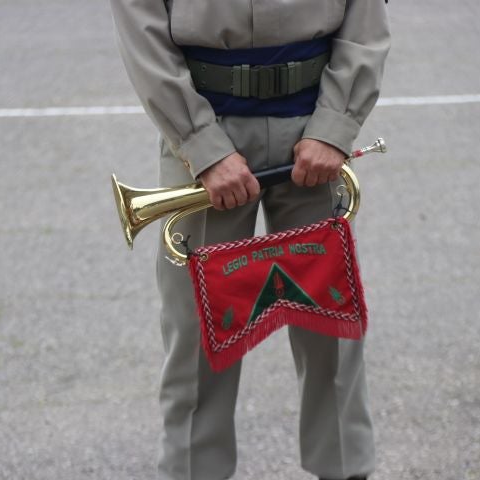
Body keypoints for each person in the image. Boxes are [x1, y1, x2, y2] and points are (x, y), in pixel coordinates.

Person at [109, 1, 390, 479]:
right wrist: (200, 144)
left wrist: (335, 126)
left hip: (313, 129)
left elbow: (365, 17)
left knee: (332, 327)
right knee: (196, 334)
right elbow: (142, 26)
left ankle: (344, 471)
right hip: (204, 131)